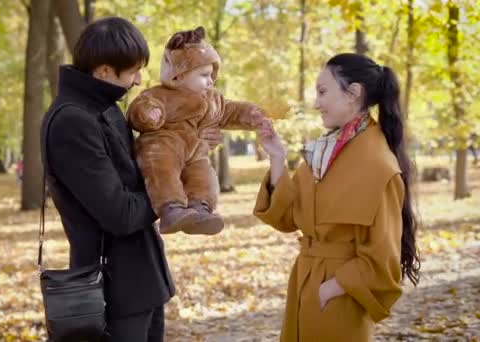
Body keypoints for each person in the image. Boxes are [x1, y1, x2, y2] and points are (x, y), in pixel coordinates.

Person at [40, 17, 222, 341]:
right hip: (111, 290)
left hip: (142, 281)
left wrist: (189, 148)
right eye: (134, 71)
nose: (139, 81)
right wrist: (171, 186)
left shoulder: (105, 108)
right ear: (105, 70)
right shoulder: (72, 121)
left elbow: (143, 168)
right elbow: (119, 214)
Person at [254, 53, 421, 341]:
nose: (316, 103)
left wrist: (330, 289)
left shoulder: (380, 166)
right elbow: (286, 217)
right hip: (303, 284)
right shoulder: (324, 152)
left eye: (322, 91)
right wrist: (277, 159)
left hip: (339, 297)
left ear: (353, 93)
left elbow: (384, 258)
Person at [127, 26, 269, 236]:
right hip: (164, 142)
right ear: (178, 76)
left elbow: (230, 111)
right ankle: (171, 208)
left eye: (212, 75)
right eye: (204, 75)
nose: (211, 81)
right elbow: (140, 107)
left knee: (204, 176)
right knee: (163, 168)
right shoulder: (161, 94)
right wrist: (150, 115)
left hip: (195, 150)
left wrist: (252, 115)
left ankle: (200, 208)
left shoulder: (212, 99)